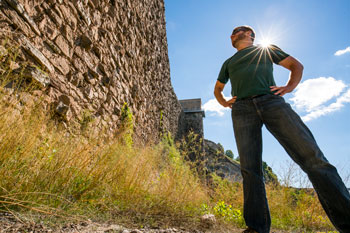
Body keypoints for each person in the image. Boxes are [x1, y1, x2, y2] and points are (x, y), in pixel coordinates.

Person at [214, 25, 350, 233]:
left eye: (237, 31)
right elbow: (218, 88)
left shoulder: (265, 50)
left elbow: (296, 66)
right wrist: (224, 102)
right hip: (242, 110)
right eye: (231, 33)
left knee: (312, 157)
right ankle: (256, 227)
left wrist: (289, 87)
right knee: (250, 169)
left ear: (250, 35)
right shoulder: (229, 63)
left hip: (272, 103)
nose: (232, 35)